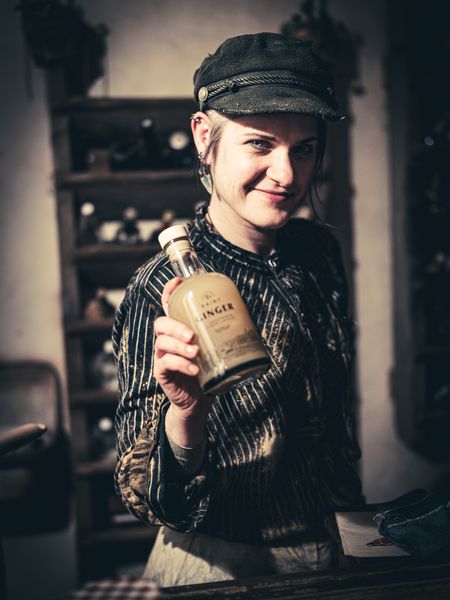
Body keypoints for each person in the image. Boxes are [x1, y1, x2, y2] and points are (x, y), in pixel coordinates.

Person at [113, 32, 364, 587]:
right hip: (220, 566)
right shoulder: (163, 287)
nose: (287, 174)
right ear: (204, 136)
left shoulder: (319, 252)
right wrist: (185, 416)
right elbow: (144, 495)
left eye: (304, 148)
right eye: (259, 144)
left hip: (335, 549)